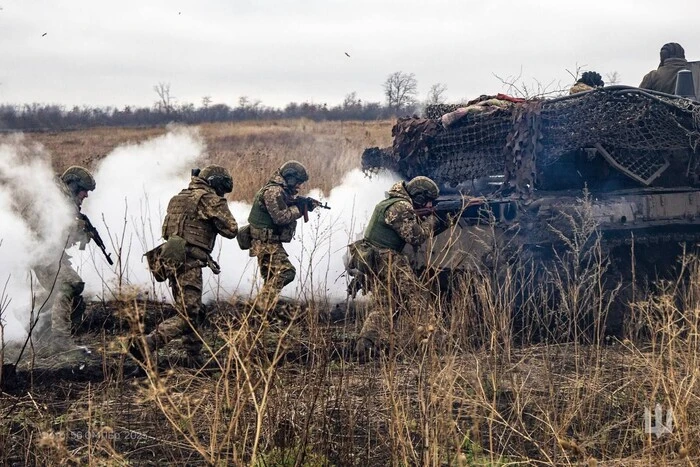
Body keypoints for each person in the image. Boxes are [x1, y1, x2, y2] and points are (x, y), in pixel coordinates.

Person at [139, 165, 238, 367]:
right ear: (216, 184)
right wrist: (219, 207)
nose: (222, 193)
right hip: (189, 261)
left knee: (192, 310)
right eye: (222, 189)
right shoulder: (209, 199)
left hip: (171, 259)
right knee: (189, 313)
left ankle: (195, 359)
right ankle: (146, 344)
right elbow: (231, 229)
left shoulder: (179, 197)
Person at [348, 176, 445, 358]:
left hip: (376, 257)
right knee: (418, 297)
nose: (429, 204)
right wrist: (433, 221)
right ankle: (431, 342)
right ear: (418, 195)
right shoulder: (401, 206)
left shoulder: (390, 202)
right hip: (387, 258)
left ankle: (366, 345)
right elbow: (415, 238)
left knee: (386, 305)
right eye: (426, 200)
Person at [32, 166, 96, 355]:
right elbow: (45, 230)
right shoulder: (53, 199)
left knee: (72, 296)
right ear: (73, 184)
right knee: (69, 284)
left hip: (49, 255)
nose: (86, 195)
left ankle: (31, 315)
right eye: (83, 189)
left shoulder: (63, 200)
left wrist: (80, 234)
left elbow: (62, 240)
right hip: (42, 255)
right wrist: (75, 228)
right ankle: (61, 341)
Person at [247, 160, 314, 317]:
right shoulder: (273, 192)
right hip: (266, 242)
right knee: (286, 272)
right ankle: (258, 308)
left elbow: (286, 204)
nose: (299, 186)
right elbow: (281, 217)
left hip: (266, 241)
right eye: (298, 182)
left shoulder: (280, 191)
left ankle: (261, 315)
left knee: (271, 278)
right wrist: (300, 208)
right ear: (290, 178)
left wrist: (303, 202)